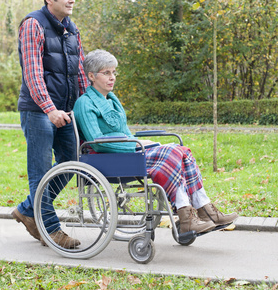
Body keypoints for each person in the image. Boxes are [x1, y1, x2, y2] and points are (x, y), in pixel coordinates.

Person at [73, 49, 238, 235]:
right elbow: (96, 142)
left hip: (128, 152)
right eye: (107, 73)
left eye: (114, 72)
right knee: (174, 151)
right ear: (92, 76)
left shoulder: (112, 100)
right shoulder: (85, 103)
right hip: (108, 158)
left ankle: (203, 210)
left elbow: (125, 132)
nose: (112, 77)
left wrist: (138, 142)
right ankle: (189, 217)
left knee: (182, 151)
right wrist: (135, 145)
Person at [12, 0, 89, 249]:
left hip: (65, 111)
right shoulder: (33, 24)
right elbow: (33, 74)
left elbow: (79, 71)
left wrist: (87, 104)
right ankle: (51, 229)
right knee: (40, 171)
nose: (71, 0)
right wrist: (50, 109)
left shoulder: (71, 29)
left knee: (72, 160)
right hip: (38, 112)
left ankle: (26, 209)